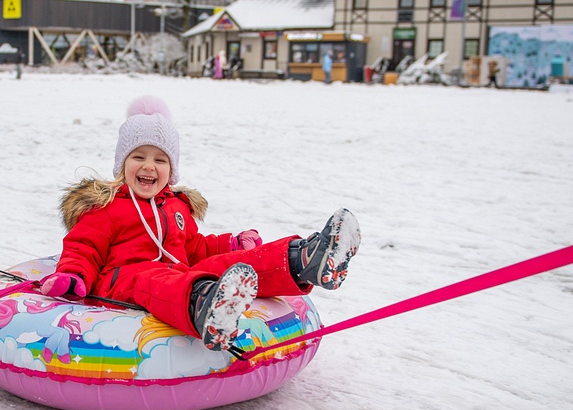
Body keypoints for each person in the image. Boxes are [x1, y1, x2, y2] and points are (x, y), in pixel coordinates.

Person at [39, 97, 361, 351]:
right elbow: (83, 247)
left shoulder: (175, 206)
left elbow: (192, 247)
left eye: (160, 159)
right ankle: (206, 304)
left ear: (171, 169)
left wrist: (228, 245)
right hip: (124, 279)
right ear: (122, 163)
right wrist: (72, 275)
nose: (148, 166)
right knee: (150, 278)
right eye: (138, 156)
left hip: (176, 270)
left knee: (225, 264)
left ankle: (304, 259)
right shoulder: (106, 207)